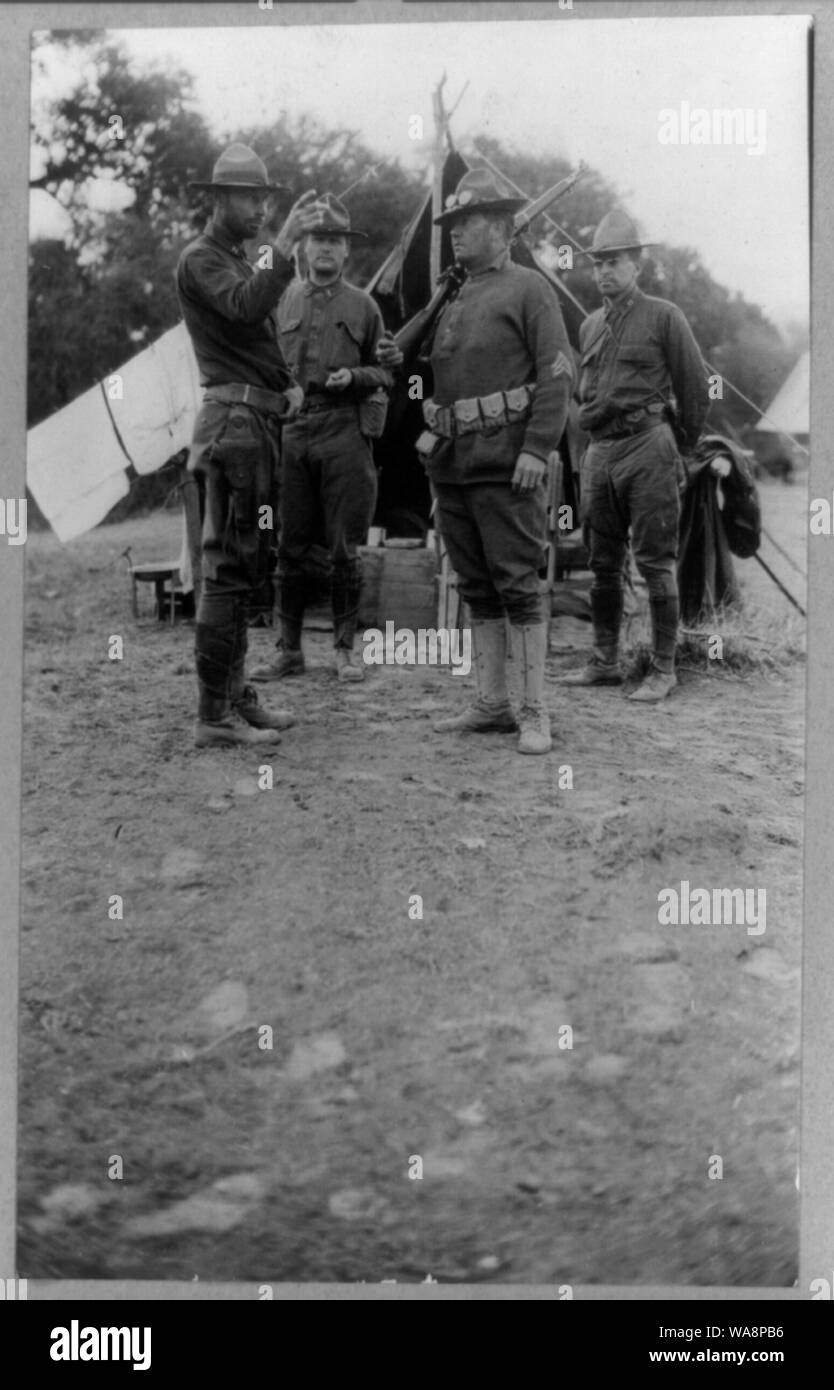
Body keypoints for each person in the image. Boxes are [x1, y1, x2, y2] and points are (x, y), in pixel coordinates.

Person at [378, 168, 573, 754]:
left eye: (470, 222)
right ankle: (492, 703)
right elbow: (427, 375)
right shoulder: (452, 294)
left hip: (507, 461)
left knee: (519, 585)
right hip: (453, 463)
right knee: (476, 586)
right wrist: (405, 369)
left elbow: (557, 372)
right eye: (455, 224)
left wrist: (538, 448)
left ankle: (534, 709)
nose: (457, 232)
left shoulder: (530, 290)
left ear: (505, 229)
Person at [176, 142, 322, 748]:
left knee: (245, 568)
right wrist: (285, 249)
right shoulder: (202, 260)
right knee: (228, 573)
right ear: (217, 200)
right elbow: (243, 309)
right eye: (250, 196)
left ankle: (236, 698)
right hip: (232, 426)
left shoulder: (236, 258)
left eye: (266, 197)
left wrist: (285, 386)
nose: (262, 207)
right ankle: (214, 716)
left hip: (253, 424)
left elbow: (257, 337)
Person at [560, 209, 710, 702]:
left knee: (654, 562)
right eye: (598, 263)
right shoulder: (590, 326)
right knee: (602, 561)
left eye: (615, 261)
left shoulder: (665, 316)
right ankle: (605, 661)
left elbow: (695, 390)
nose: (604, 271)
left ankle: (663, 669)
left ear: (637, 265)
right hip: (601, 451)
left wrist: (681, 454)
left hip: (649, 447)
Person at [250, 194, 393, 685]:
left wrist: (353, 378)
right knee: (289, 546)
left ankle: (345, 650)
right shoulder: (282, 298)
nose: (326, 249)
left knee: (344, 549)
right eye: (318, 240)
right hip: (292, 431)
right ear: (304, 247)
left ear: (347, 252)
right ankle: (288, 649)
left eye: (335, 241)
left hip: (343, 431)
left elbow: (388, 372)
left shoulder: (365, 306)